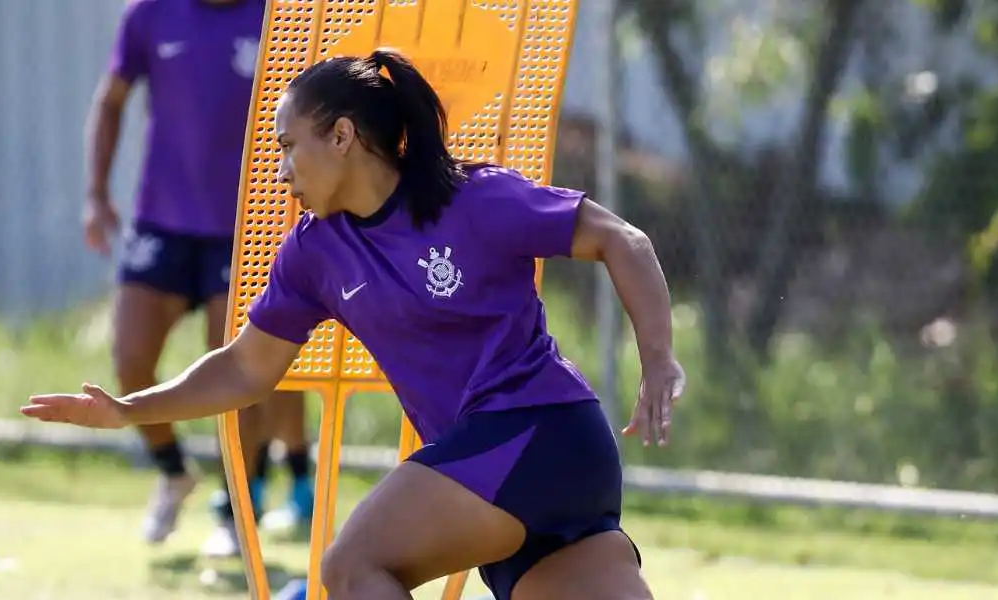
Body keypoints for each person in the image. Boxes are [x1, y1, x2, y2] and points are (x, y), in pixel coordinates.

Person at [34, 47, 684, 600]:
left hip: (538, 433)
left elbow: (622, 240)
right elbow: (245, 368)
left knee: (351, 568)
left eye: (290, 146)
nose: (281, 168)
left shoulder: (473, 198)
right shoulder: (315, 252)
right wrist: (129, 410)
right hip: (527, 477)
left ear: (342, 136)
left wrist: (658, 359)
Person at [83, 0, 313, 555]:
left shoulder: (281, 17)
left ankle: (239, 506)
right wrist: (95, 194)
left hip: (245, 225)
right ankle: (172, 471)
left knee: (236, 368)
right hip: (161, 219)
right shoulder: (150, 15)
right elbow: (111, 101)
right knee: (131, 358)